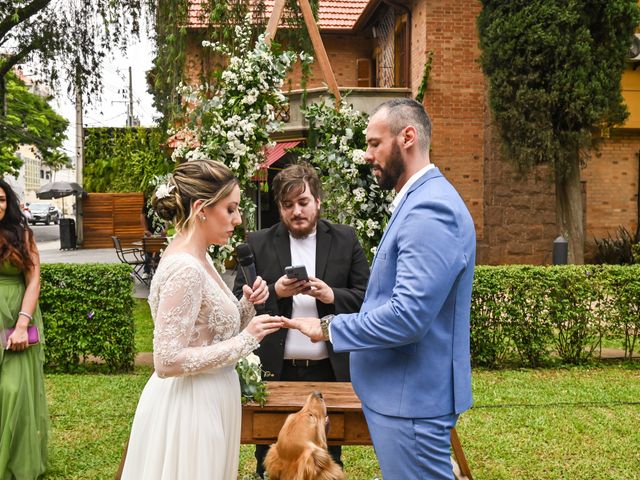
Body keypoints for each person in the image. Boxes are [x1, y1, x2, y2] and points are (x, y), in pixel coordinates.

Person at [285, 98, 476, 479]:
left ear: (407, 137)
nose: (367, 154)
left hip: (412, 402)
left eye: (374, 143)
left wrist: (329, 328)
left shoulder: (430, 210)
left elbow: (407, 317)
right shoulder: (416, 203)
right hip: (400, 398)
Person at [120, 160, 285, 480]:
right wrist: (247, 339)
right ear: (201, 208)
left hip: (211, 395)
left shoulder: (200, 256)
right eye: (231, 209)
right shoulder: (185, 268)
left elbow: (209, 330)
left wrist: (246, 306)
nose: (238, 220)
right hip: (190, 407)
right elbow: (166, 361)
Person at [232, 163, 370, 479]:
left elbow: (366, 297)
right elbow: (236, 305)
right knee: (270, 458)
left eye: (303, 202)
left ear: (318, 202)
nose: (296, 211)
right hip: (274, 372)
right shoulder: (258, 242)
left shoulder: (345, 239)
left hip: (329, 371)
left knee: (326, 457)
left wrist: (331, 295)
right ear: (279, 208)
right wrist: (274, 290)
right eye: (288, 205)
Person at [0, 179, 48, 479]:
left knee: (13, 389)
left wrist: (21, 325)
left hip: (16, 314)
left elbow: (33, 280)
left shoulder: (22, 234)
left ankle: (15, 461)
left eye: (2, 200)